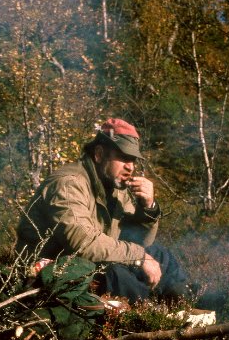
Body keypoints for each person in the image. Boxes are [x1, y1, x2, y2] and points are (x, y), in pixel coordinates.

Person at [16, 118, 190, 302]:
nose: (130, 167)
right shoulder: (69, 184)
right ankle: (148, 316)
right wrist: (138, 257)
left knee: (161, 256)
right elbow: (83, 244)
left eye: (132, 160)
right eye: (123, 157)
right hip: (48, 272)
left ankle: (185, 310)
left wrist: (148, 209)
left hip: (88, 263)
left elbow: (138, 242)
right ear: (99, 154)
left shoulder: (114, 188)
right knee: (117, 275)